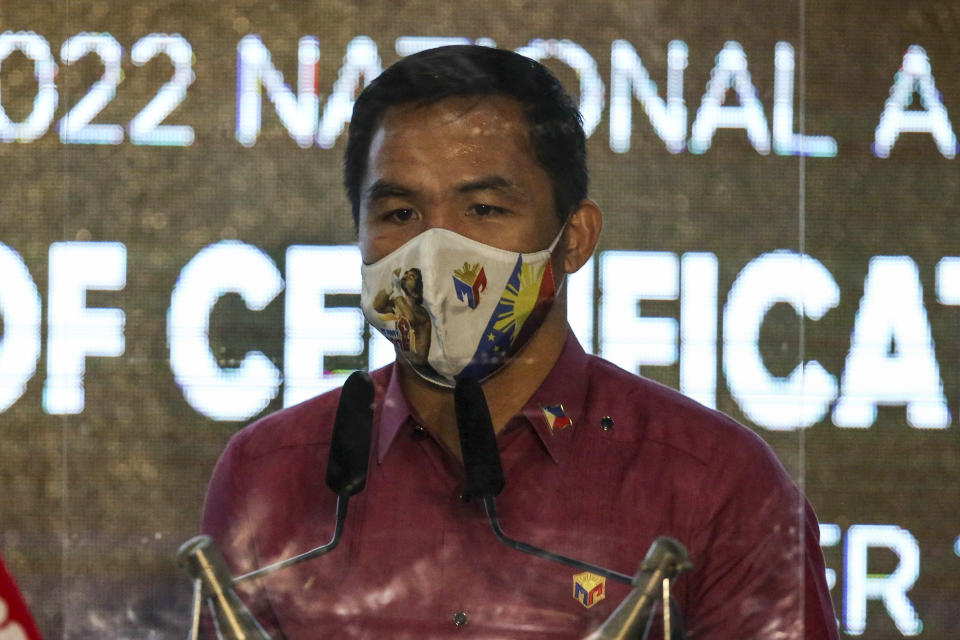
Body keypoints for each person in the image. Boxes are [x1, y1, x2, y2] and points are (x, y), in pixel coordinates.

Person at [202, 45, 839, 639]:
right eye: (400, 214)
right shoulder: (269, 475)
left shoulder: (720, 486)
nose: (435, 251)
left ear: (576, 237)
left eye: (484, 209)